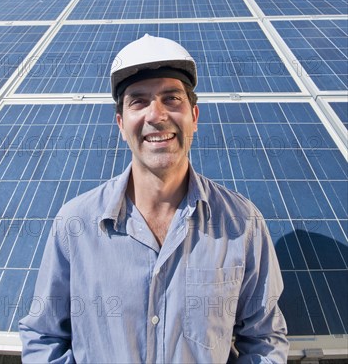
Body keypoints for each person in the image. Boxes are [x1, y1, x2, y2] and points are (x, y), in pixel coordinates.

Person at [19, 34, 289, 363]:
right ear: (121, 123)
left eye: (171, 98)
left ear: (195, 116)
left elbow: (264, 339)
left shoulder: (241, 223)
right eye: (138, 101)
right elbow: (44, 335)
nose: (156, 114)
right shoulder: (75, 223)